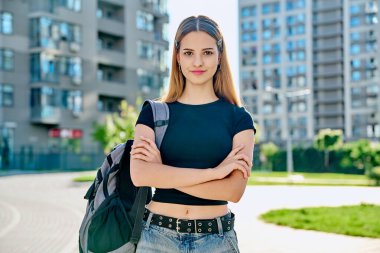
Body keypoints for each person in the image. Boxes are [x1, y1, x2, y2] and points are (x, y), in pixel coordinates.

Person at [130, 15, 256, 253]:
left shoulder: (240, 119)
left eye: (207, 52)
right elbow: (140, 175)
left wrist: (162, 174)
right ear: (177, 57)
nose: (197, 62)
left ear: (219, 56)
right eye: (188, 53)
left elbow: (233, 191)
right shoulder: (153, 113)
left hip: (216, 240)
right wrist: (215, 173)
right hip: (156, 238)